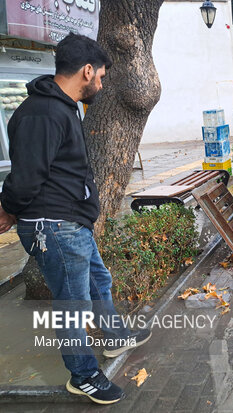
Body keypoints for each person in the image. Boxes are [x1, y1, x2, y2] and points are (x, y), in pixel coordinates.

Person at [0, 33, 150, 405]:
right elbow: (26, 176)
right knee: (72, 305)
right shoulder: (43, 113)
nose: (100, 83)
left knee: (99, 280)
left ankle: (114, 337)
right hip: (53, 226)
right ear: (86, 70)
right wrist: (8, 208)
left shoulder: (60, 107)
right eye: (99, 75)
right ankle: (82, 375)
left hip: (70, 222)